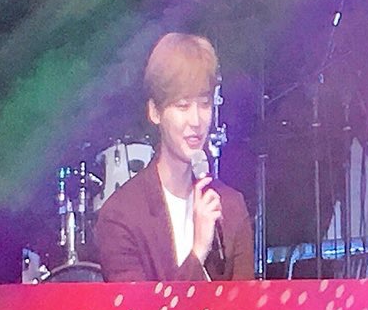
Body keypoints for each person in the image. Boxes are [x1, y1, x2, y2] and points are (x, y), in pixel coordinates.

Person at [95, 33, 254, 282]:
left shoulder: (231, 207)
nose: (196, 121)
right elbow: (140, 308)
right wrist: (198, 251)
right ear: (155, 112)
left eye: (204, 104)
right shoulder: (121, 216)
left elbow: (244, 303)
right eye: (182, 106)